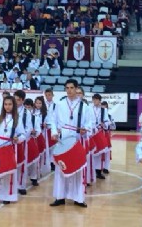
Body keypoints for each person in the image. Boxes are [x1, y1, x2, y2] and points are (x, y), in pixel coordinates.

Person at [47, 79, 94, 208]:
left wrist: (86, 129)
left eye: (72, 88)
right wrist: (55, 132)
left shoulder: (84, 106)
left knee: (78, 169)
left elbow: (90, 123)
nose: (69, 90)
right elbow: (53, 121)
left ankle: (78, 198)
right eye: (67, 88)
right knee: (61, 168)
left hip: (77, 139)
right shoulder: (60, 104)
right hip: (63, 140)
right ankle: (60, 197)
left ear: (76, 89)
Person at [0, 96, 26, 205]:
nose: (8, 106)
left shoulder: (17, 118)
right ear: (3, 105)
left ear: (14, 105)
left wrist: (18, 139)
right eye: (6, 104)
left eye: (10, 104)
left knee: (8, 173)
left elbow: (23, 134)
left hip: (9, 147)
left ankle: (7, 196)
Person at [13, 90, 34, 195]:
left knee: (21, 163)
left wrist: (21, 138)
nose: (16, 102)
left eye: (18, 100)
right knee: (10, 163)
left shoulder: (27, 112)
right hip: (9, 141)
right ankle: (10, 185)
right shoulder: (8, 110)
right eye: (14, 99)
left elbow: (29, 128)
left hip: (21, 141)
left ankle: (21, 185)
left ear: (22, 100)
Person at [91, 94, 112, 180]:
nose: (95, 101)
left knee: (100, 152)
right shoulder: (89, 109)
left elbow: (107, 121)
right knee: (92, 151)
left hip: (100, 132)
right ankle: (91, 171)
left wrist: (105, 124)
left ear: (100, 100)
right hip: (91, 133)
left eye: (97, 100)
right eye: (94, 100)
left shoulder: (104, 110)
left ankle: (98, 171)